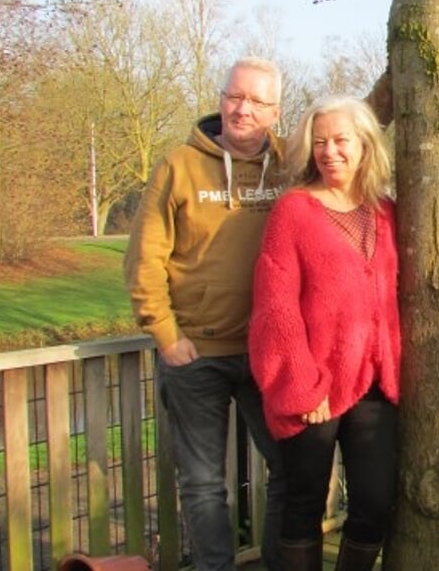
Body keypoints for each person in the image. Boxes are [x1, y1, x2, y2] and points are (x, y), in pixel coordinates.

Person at [123, 57, 289, 571]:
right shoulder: (179, 165)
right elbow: (143, 258)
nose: (243, 109)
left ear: (275, 112)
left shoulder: (291, 163)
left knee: (291, 468)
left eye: (257, 101)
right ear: (221, 98)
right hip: (195, 353)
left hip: (268, 352)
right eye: (234, 96)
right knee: (201, 484)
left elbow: (354, 125)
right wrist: (167, 335)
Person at [249, 95, 400, 571]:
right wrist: (301, 384)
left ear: (365, 145)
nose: (329, 151)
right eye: (319, 143)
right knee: (304, 501)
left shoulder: (385, 211)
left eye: (340, 141)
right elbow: (276, 305)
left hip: (375, 384)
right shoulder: (294, 211)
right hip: (313, 386)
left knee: (375, 502)